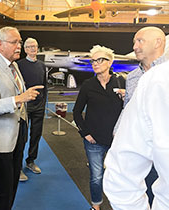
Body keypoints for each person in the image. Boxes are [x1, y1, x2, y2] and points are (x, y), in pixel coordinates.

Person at [0, 27, 43, 210]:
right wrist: (19, 98)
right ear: (0, 45)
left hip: (18, 133)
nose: (19, 46)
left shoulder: (15, 65)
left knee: (12, 183)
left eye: (19, 42)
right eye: (15, 42)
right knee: (2, 187)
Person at [103, 59, 169, 210]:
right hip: (132, 134)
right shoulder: (156, 79)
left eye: (140, 41)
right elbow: (122, 173)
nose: (135, 47)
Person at [114, 26, 166, 205]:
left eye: (140, 41)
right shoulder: (133, 77)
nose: (135, 46)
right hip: (141, 149)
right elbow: (128, 107)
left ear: (158, 42)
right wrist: (118, 132)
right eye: (134, 42)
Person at [73, 45, 125, 210]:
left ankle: (120, 204)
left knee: (120, 175)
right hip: (94, 141)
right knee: (96, 176)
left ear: (110, 62)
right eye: (93, 60)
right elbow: (76, 112)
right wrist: (85, 133)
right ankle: (96, 206)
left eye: (99, 60)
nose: (95, 63)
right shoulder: (88, 85)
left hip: (118, 140)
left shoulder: (121, 82)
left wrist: (127, 97)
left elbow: (132, 109)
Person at [17, 38, 47, 181]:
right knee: (21, 137)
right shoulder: (19, 65)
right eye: (29, 46)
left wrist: (44, 103)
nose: (32, 48)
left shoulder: (42, 65)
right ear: (25, 49)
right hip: (24, 106)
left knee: (36, 135)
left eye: (34, 46)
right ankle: (17, 167)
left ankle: (30, 161)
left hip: (39, 107)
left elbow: (45, 86)